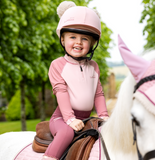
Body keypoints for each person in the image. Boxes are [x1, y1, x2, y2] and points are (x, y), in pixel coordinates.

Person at [42, 1, 109, 160]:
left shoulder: (93, 66)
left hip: (87, 118)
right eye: (72, 37)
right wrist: (70, 119)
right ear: (63, 40)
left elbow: (98, 93)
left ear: (92, 43)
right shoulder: (58, 65)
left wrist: (104, 116)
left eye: (84, 39)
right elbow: (61, 92)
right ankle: (49, 157)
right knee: (66, 133)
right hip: (62, 118)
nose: (78, 42)